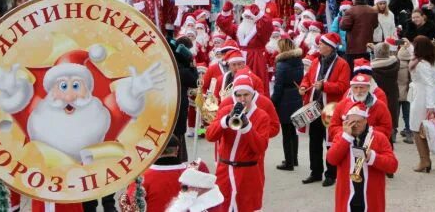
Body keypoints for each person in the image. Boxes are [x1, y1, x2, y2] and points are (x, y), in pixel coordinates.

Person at [205, 74, 271, 212]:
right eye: (238, 95)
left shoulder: (262, 116)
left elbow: (260, 147)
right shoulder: (225, 111)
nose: (242, 99)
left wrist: (247, 128)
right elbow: (210, 136)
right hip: (225, 171)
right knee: (223, 207)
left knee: (247, 207)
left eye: (246, 95)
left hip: (248, 174)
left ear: (252, 95)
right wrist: (225, 122)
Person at [326, 100, 398, 212]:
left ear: (365, 120)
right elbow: (331, 159)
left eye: (358, 122)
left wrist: (372, 157)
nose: (355, 125)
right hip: (347, 198)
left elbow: (392, 166)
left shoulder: (379, 137)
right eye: (351, 122)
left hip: (371, 198)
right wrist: (346, 138)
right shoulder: (341, 137)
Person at [298, 32, 350, 186]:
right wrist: (303, 86)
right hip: (314, 107)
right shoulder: (316, 61)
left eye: (322, 44)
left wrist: (325, 86)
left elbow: (343, 86)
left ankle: (331, 174)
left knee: (330, 142)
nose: (319, 46)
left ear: (330, 47)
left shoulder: (342, 64)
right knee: (314, 141)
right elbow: (307, 78)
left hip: (331, 109)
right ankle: (315, 172)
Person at [124, 135, 189, 212]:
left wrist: (123, 199)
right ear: (177, 149)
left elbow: (133, 207)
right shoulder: (192, 174)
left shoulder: (141, 177)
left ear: (156, 150)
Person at [272, 36, 304, 171]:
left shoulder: (281, 65)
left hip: (285, 98)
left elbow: (278, 86)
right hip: (296, 95)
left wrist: (273, 101)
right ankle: (294, 158)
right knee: (293, 130)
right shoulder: (299, 62)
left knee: (286, 132)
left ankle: (289, 162)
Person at [407, 35, 435, 173]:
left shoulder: (421, 64)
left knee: (416, 128)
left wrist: (430, 106)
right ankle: (425, 159)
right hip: (422, 96)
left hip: (422, 98)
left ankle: (424, 159)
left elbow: (430, 84)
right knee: (421, 129)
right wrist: (408, 46)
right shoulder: (428, 60)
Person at [340, 0, 379, 69]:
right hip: (368, 46)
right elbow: (375, 25)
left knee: (353, 70)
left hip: (353, 47)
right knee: (366, 69)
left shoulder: (350, 11)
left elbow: (343, 26)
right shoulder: (372, 10)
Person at [371, 42, 400, 142]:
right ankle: (393, 132)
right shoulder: (395, 63)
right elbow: (392, 55)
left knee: (381, 114)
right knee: (393, 111)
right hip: (393, 92)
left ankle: (382, 134)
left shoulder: (372, 68)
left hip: (379, 94)